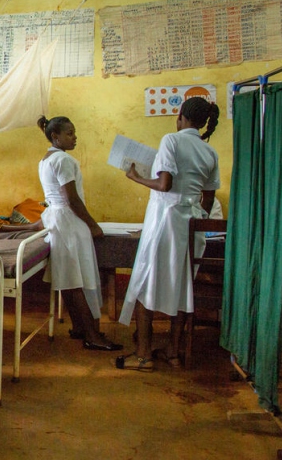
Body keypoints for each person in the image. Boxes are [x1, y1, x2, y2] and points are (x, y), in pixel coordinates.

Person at [117, 97, 221, 371]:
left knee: (145, 282)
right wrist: (196, 215)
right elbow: (208, 198)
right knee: (183, 288)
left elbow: (164, 184)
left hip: (166, 221)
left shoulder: (171, 141)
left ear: (180, 116)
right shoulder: (209, 152)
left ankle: (143, 356)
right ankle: (174, 352)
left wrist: (135, 177)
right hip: (193, 223)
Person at [35, 116, 122, 352]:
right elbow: (71, 199)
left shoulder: (46, 159)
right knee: (78, 280)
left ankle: (80, 327)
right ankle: (93, 336)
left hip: (57, 220)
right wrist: (93, 225)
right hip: (68, 221)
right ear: (56, 136)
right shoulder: (63, 159)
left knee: (69, 279)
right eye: (70, 133)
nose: (75, 137)